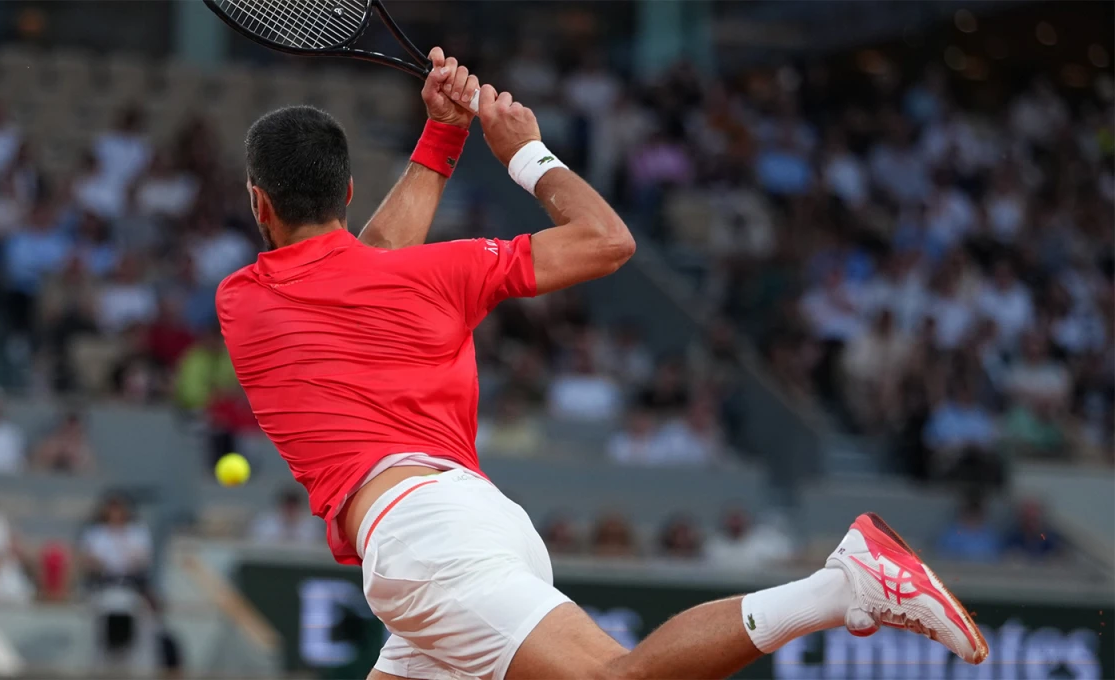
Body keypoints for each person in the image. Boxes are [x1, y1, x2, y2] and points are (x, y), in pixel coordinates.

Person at [217, 48, 986, 680]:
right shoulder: (432, 273)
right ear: (349, 191)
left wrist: (443, 137)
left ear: (260, 204)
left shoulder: (241, 301)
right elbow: (605, 239)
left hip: (426, 543)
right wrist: (517, 151)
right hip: (467, 524)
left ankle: (841, 585)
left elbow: (368, 258)